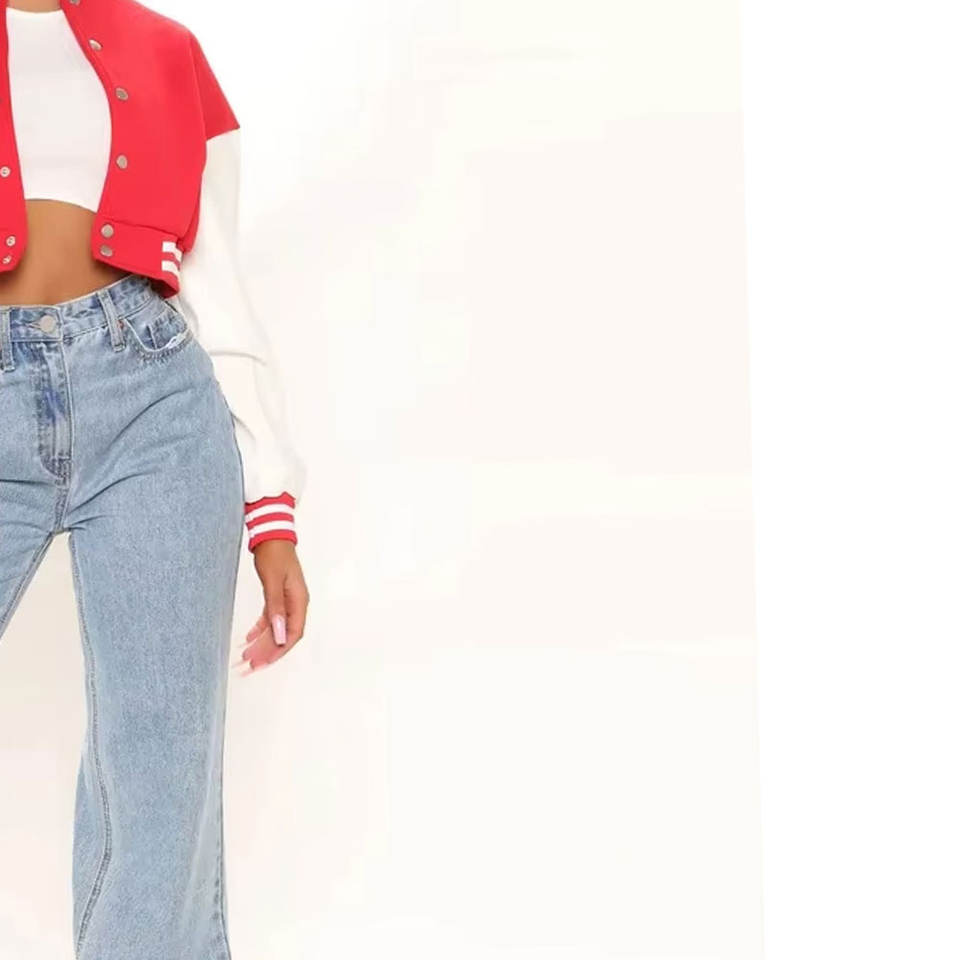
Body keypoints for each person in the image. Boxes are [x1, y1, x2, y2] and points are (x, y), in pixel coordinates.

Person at [0, 0, 309, 956]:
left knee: (161, 766)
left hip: (150, 395)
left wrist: (271, 509)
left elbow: (218, 279)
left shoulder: (166, 49)